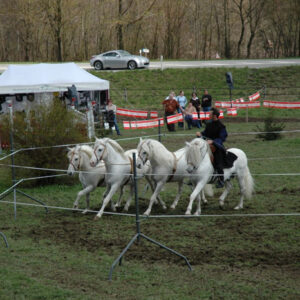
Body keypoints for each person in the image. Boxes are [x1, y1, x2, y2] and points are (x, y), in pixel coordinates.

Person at [196, 107, 227, 188]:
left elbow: (222, 138)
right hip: (207, 146)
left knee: (219, 163)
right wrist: (201, 134)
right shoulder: (209, 124)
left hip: (217, 147)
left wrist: (213, 142)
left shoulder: (221, 126)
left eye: (210, 114)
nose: (208, 115)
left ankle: (221, 180)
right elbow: (205, 133)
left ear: (215, 116)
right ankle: (195, 178)